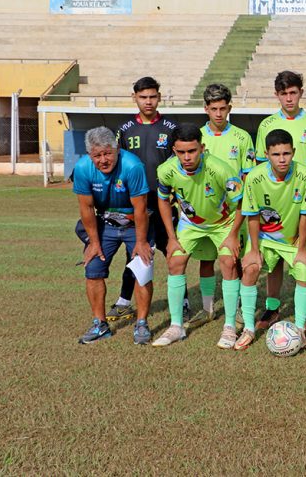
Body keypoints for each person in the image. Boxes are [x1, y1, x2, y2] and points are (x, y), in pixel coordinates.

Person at [152, 124, 245, 347]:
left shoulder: (221, 169)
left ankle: (230, 326)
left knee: (228, 262)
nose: (187, 157)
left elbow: (242, 202)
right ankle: (176, 327)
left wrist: (233, 235)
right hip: (191, 224)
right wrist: (171, 238)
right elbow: (163, 200)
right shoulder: (166, 170)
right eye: (181, 152)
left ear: (202, 148)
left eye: (192, 151)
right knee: (175, 261)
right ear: (174, 150)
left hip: (223, 223)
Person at [253, 71, 306, 330]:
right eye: (284, 93)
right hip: (274, 203)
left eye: (293, 92)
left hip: (302, 202)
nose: (289, 98)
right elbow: (261, 169)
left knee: (303, 256)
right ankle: (272, 309)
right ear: (277, 95)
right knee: (273, 260)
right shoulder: (266, 125)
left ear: (301, 93)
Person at [236, 129, 306, 350]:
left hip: (294, 239)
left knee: (303, 269)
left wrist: (302, 248)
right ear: (266, 154)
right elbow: (252, 216)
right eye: (276, 154)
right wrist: (253, 250)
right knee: (251, 268)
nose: (282, 159)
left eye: (286, 153)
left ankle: (299, 328)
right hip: (266, 237)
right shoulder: (255, 177)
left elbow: (305, 214)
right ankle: (249, 329)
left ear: (294, 152)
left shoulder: (305, 175)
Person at [73, 127, 153, 345]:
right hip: (105, 224)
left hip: (135, 224)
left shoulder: (132, 166)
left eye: (108, 153)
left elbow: (141, 207)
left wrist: (141, 241)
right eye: (97, 155)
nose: (103, 160)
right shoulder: (82, 168)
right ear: (90, 155)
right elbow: (86, 209)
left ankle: (142, 324)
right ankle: (100, 324)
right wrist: (94, 242)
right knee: (93, 270)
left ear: (117, 149)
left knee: (142, 270)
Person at [190, 84, 255, 331]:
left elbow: (247, 177)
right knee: (206, 260)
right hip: (203, 212)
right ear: (206, 109)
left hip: (232, 214)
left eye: (223, 108)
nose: (219, 114)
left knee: (233, 259)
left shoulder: (242, 137)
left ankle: (236, 307)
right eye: (213, 109)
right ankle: (207, 308)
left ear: (230, 107)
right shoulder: (197, 137)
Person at [114, 77, 179, 322]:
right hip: (136, 203)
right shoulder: (125, 129)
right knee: (135, 251)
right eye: (143, 97)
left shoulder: (171, 128)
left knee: (172, 250)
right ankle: (123, 301)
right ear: (135, 98)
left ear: (159, 97)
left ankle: (181, 300)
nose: (148, 101)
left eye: (152, 96)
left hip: (164, 201)